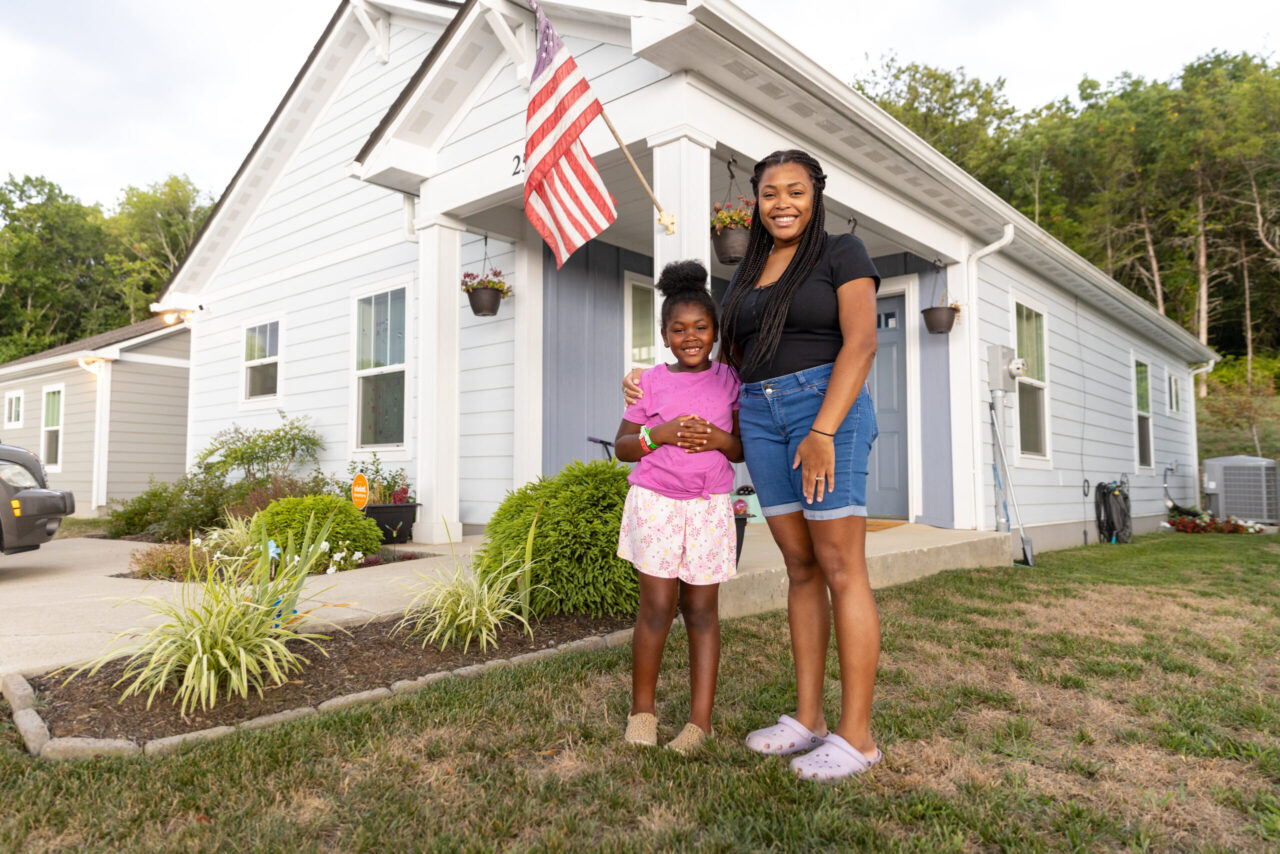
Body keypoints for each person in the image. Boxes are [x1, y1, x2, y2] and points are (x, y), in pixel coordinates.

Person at [624, 150, 882, 781]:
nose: (783, 203)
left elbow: (863, 341)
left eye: (796, 190)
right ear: (756, 202)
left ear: (816, 194)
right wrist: (648, 384)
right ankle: (809, 718)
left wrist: (822, 428)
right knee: (799, 565)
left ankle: (857, 737)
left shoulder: (841, 253)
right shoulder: (747, 272)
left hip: (825, 408)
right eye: (770, 193)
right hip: (762, 418)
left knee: (840, 565)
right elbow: (723, 360)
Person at [614, 259, 743, 755]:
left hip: (709, 507)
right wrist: (660, 433)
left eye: (701, 328)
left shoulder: (728, 380)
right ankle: (642, 712)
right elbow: (625, 445)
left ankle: (698, 724)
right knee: (657, 608)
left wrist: (718, 437)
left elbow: (740, 449)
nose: (690, 337)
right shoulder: (648, 382)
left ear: (714, 333)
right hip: (656, 505)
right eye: (679, 329)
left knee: (703, 611)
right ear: (665, 336)